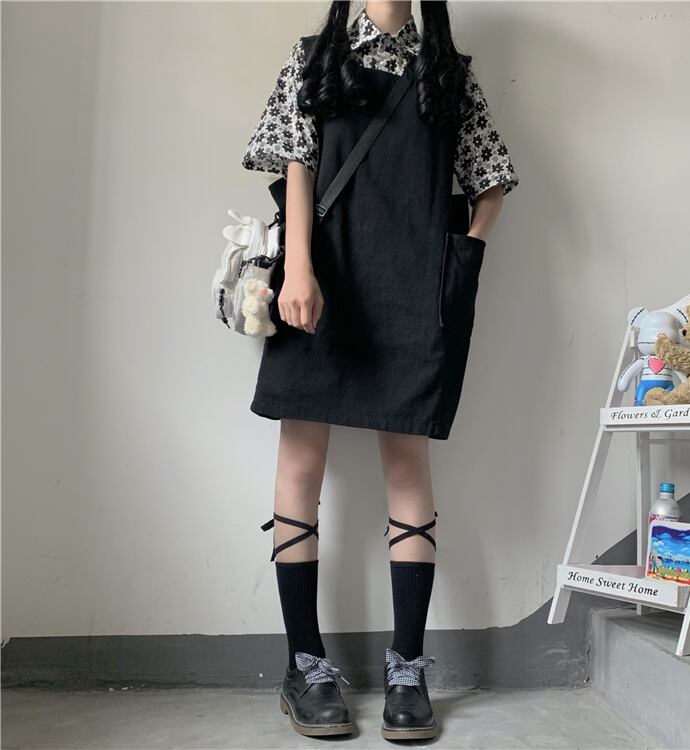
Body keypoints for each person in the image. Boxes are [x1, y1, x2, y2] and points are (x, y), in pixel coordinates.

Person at [241, 0, 518, 740]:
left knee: (407, 467)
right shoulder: (313, 58)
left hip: (410, 292)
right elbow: (296, 167)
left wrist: (457, 259)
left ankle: (407, 667)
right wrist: (299, 268)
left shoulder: (446, 74)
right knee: (300, 467)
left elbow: (492, 180)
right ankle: (304, 664)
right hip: (321, 284)